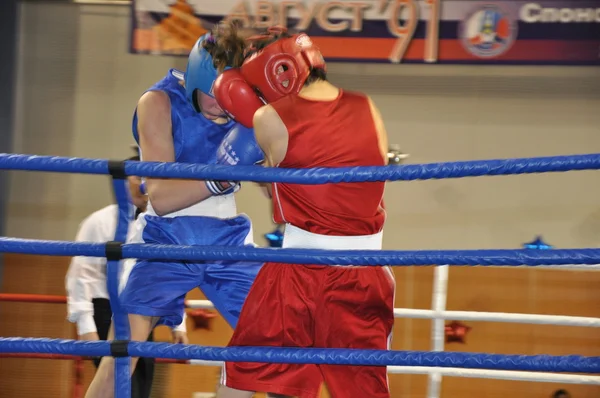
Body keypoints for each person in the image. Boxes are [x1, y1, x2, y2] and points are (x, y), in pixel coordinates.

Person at [213, 27, 395, 398]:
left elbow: (273, 192)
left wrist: (252, 109)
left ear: (275, 74)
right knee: (360, 389)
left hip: (298, 273)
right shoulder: (368, 106)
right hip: (363, 273)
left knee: (245, 377)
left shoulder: (269, 118)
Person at [84, 24, 265, 398]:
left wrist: (270, 145)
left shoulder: (245, 107)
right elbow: (161, 197)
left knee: (273, 335)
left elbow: (271, 185)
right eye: (214, 97)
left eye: (230, 98)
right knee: (122, 355)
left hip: (227, 240)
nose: (222, 108)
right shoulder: (158, 102)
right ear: (197, 77)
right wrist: (220, 176)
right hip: (165, 240)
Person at [66, 152, 188, 398]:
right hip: (105, 309)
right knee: (117, 386)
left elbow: (170, 275)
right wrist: (86, 327)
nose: (142, 183)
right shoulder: (99, 221)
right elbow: (82, 276)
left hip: (144, 310)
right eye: (136, 176)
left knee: (141, 387)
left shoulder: (164, 224)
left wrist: (179, 322)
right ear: (123, 180)